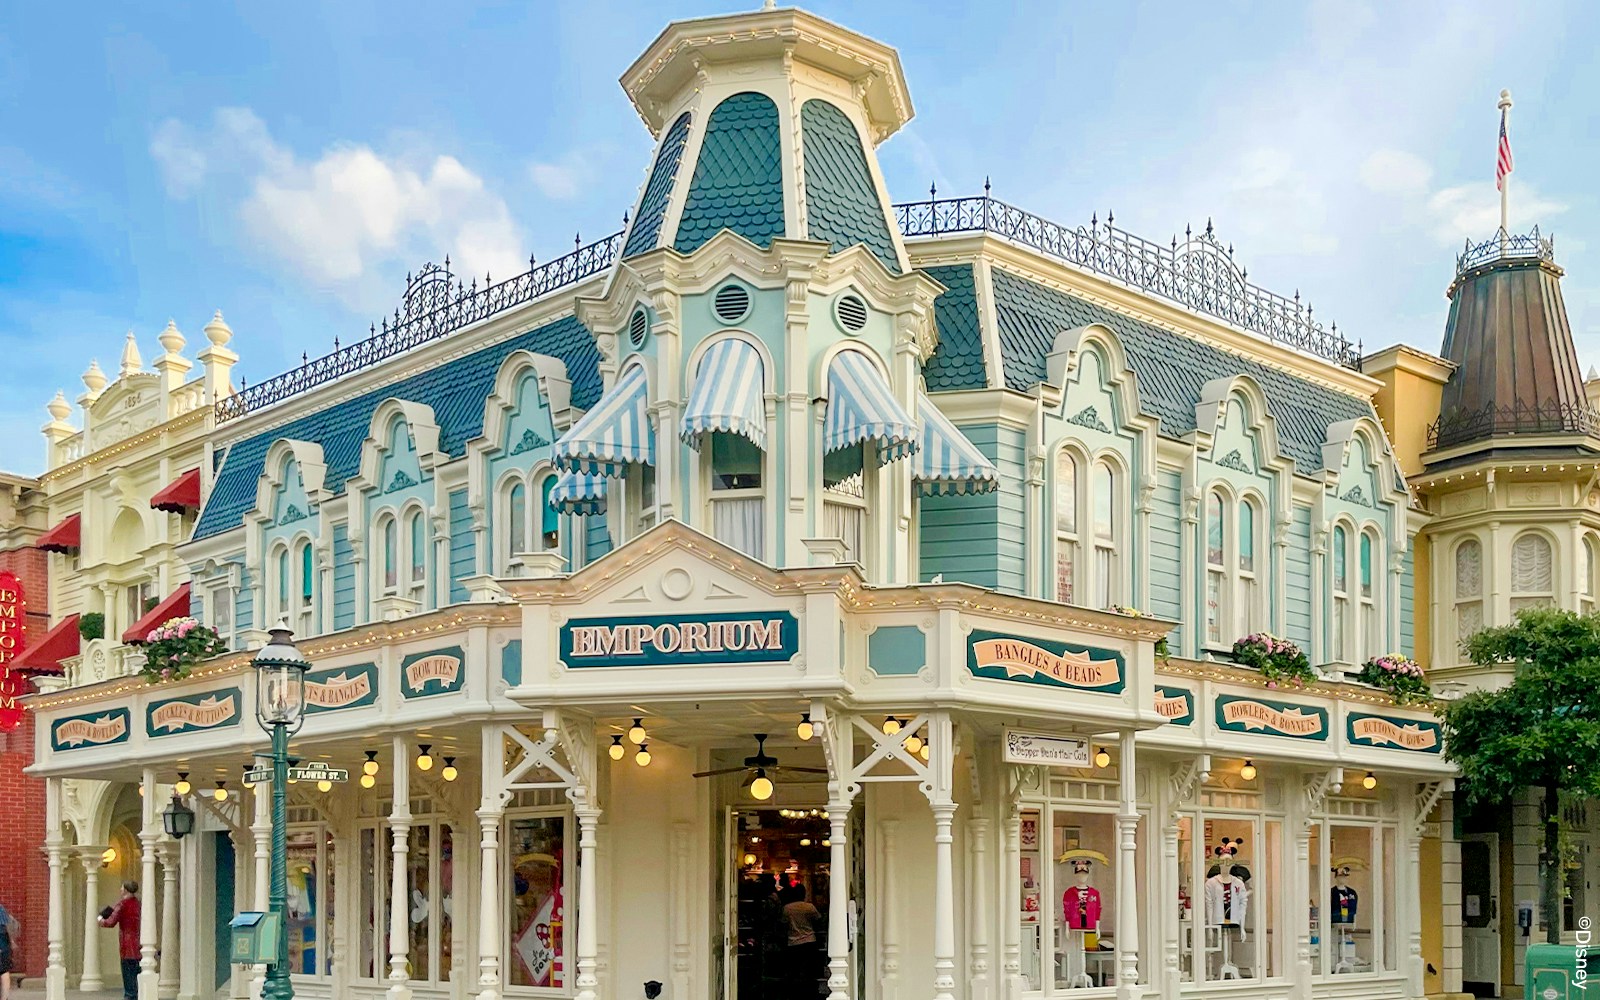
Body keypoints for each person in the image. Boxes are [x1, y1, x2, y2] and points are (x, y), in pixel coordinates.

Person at [98, 881, 141, 1000]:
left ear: (126, 890)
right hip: (139, 944)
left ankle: (130, 996)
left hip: (127, 946)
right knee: (137, 975)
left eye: (122, 887)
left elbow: (110, 922)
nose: (120, 889)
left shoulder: (122, 904)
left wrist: (100, 920)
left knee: (128, 978)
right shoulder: (138, 903)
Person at [780, 884, 822, 1000]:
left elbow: (783, 924)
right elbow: (818, 919)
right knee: (809, 970)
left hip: (793, 942)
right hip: (809, 940)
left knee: (794, 970)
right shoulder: (809, 907)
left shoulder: (787, 908)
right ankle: (810, 992)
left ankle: (795, 993)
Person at [0, 898, 18, 1000]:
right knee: (4, 971)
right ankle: (5, 997)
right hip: (4, 946)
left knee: (3, 972)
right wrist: (11, 942)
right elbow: (8, 927)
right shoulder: (2, 910)